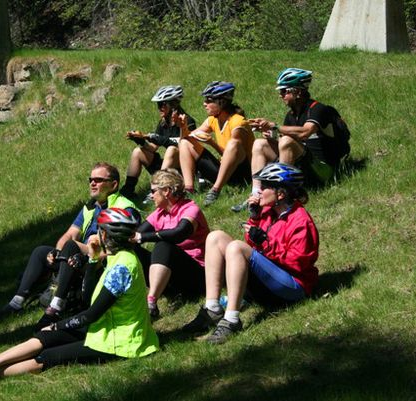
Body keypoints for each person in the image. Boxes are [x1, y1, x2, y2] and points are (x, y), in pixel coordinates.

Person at [0, 208, 159, 384]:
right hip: (105, 330)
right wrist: (93, 262)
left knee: (48, 357)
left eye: (100, 230)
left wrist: (58, 325)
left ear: (104, 235)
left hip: (120, 343)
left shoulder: (122, 266)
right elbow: (87, 300)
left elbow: (90, 315)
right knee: (45, 337)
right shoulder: (117, 258)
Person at [0, 162, 138, 330]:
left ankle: (55, 307)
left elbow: (118, 243)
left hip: (101, 258)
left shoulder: (124, 207)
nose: (92, 183)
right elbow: (70, 233)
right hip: (76, 255)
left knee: (71, 246)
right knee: (41, 251)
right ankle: (16, 303)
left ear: (113, 184)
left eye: (98, 180)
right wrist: (57, 252)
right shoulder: (90, 207)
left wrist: (78, 249)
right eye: (90, 179)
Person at [182, 163, 319, 344]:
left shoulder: (301, 221)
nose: (258, 191)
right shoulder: (269, 211)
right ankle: (212, 308)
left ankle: (231, 320)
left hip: (293, 287)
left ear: (281, 193)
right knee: (215, 237)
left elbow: (298, 263)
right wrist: (255, 218)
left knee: (236, 247)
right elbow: (253, 246)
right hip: (270, 281)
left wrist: (265, 243)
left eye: (264, 187)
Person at [245, 68, 342, 205]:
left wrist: (275, 126)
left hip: (324, 170)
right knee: (260, 144)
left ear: (297, 91)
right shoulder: (291, 115)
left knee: (286, 141)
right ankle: (256, 194)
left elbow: (305, 132)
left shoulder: (318, 109)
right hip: (304, 166)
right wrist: (269, 134)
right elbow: (289, 144)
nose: (280, 95)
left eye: (284, 91)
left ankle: (281, 193)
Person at [130, 169, 209, 319]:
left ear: (166, 191)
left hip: (198, 277)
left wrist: (143, 237)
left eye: (153, 191)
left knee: (163, 244)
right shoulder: (159, 213)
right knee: (132, 250)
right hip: (175, 276)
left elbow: (179, 233)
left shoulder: (191, 209)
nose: (151, 195)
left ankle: (151, 303)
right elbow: (136, 235)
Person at [178, 81, 254, 206]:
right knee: (185, 143)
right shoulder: (212, 120)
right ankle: (189, 189)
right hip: (224, 170)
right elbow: (185, 139)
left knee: (233, 144)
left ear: (221, 102)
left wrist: (211, 143)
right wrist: (183, 128)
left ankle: (215, 190)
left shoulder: (238, 122)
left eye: (208, 100)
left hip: (242, 173)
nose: (204, 104)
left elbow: (233, 155)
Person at [119, 85, 196, 203]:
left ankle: (156, 190)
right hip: (168, 167)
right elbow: (153, 148)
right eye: (158, 105)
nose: (159, 108)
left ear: (173, 104)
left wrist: (151, 136)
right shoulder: (163, 123)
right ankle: (128, 190)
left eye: (162, 104)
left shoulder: (187, 121)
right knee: (138, 151)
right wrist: (140, 140)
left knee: (171, 149)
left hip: (183, 169)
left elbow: (181, 145)